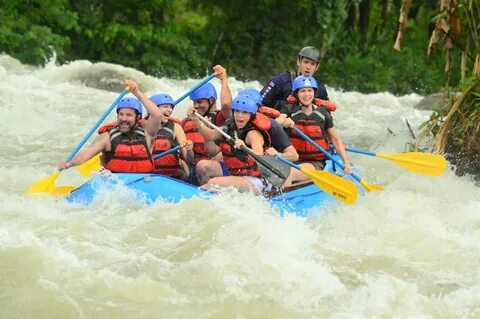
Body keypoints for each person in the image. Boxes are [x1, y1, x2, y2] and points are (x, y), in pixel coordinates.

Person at [58, 80, 167, 172]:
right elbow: (87, 153)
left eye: (128, 115)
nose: (123, 118)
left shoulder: (148, 133)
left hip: (144, 181)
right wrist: (69, 163)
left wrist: (136, 91)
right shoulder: (107, 137)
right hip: (116, 186)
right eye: (121, 114)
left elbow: (157, 114)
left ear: (138, 117)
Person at [277, 75, 352, 187]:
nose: (307, 94)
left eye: (309, 91)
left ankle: (282, 200)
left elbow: (335, 139)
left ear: (314, 92)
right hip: (291, 159)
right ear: (296, 93)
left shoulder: (323, 114)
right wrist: (283, 122)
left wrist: (346, 163)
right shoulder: (289, 109)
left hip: (315, 163)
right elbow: (277, 121)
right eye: (302, 91)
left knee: (290, 173)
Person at [193, 95, 275, 194]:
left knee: (212, 183)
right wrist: (196, 120)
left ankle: (208, 195)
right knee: (202, 166)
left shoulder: (253, 134)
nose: (239, 115)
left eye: (244, 112)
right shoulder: (229, 128)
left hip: (256, 181)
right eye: (237, 111)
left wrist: (244, 147)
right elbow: (209, 135)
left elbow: (259, 155)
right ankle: (208, 196)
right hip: (236, 174)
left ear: (251, 115)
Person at [181, 65, 231, 164]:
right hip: (194, 166)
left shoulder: (222, 117)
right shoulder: (187, 121)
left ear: (211, 101)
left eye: (199, 102)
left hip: (214, 167)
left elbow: (226, 104)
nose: (196, 106)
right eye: (194, 102)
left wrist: (224, 79)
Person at [260, 46, 335, 112]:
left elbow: (327, 115)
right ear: (298, 62)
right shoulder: (281, 81)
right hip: (281, 124)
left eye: (312, 64)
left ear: (317, 67)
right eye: (306, 62)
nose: (308, 67)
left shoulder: (320, 88)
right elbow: (260, 102)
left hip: (306, 125)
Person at [149, 93, 194, 180]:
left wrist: (189, 149)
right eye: (165, 106)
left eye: (171, 107)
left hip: (170, 176)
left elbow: (189, 158)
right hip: (147, 176)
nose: (170, 110)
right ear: (152, 109)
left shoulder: (176, 128)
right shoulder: (140, 126)